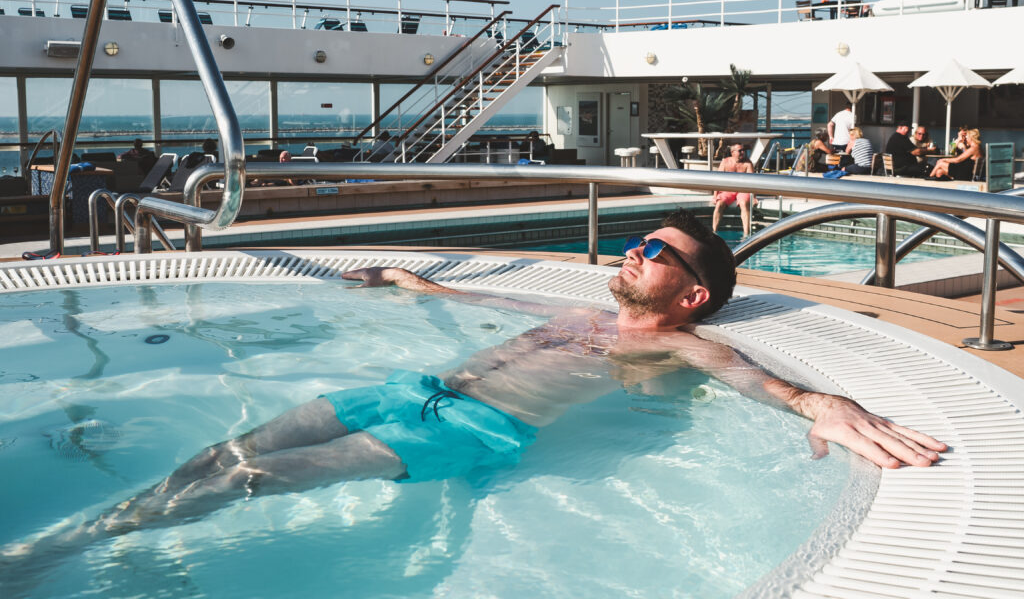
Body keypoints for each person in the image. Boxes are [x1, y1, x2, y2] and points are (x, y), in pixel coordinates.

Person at [5, 210, 945, 561]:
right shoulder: (587, 315)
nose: (633, 247)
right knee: (223, 453)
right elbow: (459, 297)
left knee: (253, 482)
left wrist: (828, 404)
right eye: (638, 239)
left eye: (652, 250)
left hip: (463, 432)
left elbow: (755, 379)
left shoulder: (676, 346)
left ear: (689, 294)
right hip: (404, 386)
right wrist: (411, 284)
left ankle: (56, 557)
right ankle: (89, 531)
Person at [711, 143, 755, 237]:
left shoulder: (747, 163)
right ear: (732, 152)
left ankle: (746, 234)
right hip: (728, 190)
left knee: (744, 204)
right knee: (719, 204)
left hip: (742, 190)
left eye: (743, 150)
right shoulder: (725, 162)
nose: (743, 152)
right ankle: (714, 232)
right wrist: (715, 196)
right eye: (740, 151)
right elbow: (718, 179)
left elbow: (752, 181)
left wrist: (753, 197)